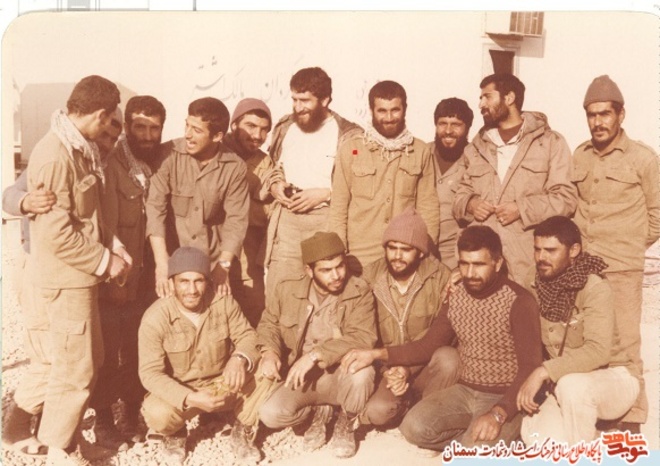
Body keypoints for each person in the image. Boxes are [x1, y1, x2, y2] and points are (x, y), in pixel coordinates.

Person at [2, 75, 131, 466]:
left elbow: (87, 216)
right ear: (100, 114)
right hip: (65, 278)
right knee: (74, 367)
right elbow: (57, 235)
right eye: (108, 121)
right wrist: (107, 262)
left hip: (76, 277)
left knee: (81, 360)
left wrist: (113, 248)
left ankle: (59, 440)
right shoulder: (57, 155)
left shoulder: (77, 148)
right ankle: (61, 450)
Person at [342, 225, 542, 452]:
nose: (470, 273)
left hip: (504, 396)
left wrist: (499, 413)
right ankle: (480, 442)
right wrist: (375, 354)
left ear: (497, 264)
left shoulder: (519, 301)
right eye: (464, 264)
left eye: (479, 265)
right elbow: (429, 346)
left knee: (472, 454)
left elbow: (530, 367)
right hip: (465, 392)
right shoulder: (457, 294)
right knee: (412, 427)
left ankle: (496, 438)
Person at [572, 75, 660, 429]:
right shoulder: (579, 155)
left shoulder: (643, 158)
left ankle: (633, 414)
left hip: (622, 267)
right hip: (584, 268)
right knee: (592, 337)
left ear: (621, 115)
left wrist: (630, 244)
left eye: (605, 114)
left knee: (625, 341)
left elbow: (658, 214)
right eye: (592, 115)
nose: (598, 122)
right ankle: (601, 406)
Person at [517, 216, 640, 445]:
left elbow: (598, 352)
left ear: (573, 250)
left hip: (611, 379)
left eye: (550, 250)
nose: (541, 257)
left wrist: (543, 371)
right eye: (537, 249)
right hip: (558, 384)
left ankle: (584, 453)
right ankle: (595, 440)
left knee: (573, 387)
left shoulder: (593, 286)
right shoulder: (533, 279)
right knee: (545, 445)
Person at [90, 95, 167, 449]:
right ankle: (103, 419)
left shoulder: (159, 162)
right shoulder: (108, 161)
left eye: (155, 128)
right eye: (140, 127)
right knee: (107, 352)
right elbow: (104, 226)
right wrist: (115, 277)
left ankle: (132, 412)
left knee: (140, 348)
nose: (147, 136)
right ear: (127, 127)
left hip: (148, 277)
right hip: (115, 276)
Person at [257, 232, 377, 458]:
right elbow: (269, 323)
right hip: (303, 378)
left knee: (362, 373)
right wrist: (269, 351)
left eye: (340, 266)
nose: (337, 275)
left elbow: (362, 337)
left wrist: (314, 355)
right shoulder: (287, 288)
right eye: (326, 270)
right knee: (270, 414)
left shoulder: (359, 291)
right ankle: (317, 413)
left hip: (339, 376)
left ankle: (347, 421)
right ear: (309, 271)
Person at [138, 247, 263, 464]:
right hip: (184, 391)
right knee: (156, 412)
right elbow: (150, 373)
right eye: (184, 282)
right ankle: (175, 433)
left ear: (208, 282)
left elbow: (249, 336)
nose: (192, 290)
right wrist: (191, 398)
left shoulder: (223, 302)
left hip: (223, 384)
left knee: (266, 377)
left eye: (198, 281)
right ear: (172, 283)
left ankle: (242, 426)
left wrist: (239, 358)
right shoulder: (155, 318)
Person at [453, 73, 577, 284]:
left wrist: (521, 209)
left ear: (509, 98)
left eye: (487, 97)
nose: (481, 104)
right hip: (483, 267)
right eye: (481, 98)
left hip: (527, 264)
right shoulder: (476, 147)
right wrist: (471, 204)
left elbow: (565, 199)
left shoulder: (550, 143)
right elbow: (459, 196)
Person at [261, 67, 362, 293]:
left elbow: (360, 184)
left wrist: (325, 194)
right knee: (280, 290)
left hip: (325, 222)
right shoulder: (286, 128)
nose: (298, 107)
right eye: (294, 99)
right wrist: (276, 185)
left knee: (323, 293)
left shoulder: (349, 135)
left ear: (325, 100)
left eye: (305, 100)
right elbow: (274, 167)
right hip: (287, 224)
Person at [359, 207, 458, 428]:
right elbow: (365, 335)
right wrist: (389, 371)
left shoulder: (441, 278)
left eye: (405, 250)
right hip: (388, 369)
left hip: (425, 367)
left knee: (449, 359)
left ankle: (428, 417)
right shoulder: (369, 278)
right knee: (377, 412)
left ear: (421, 253)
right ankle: (406, 405)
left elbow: (441, 338)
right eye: (392, 248)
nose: (397, 256)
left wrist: (407, 369)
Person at [146, 97, 249, 299]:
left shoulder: (235, 167)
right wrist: (161, 263)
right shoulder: (167, 155)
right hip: (171, 260)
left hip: (211, 264)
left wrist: (223, 267)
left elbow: (236, 222)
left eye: (197, 130)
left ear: (217, 136)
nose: (188, 135)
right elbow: (155, 209)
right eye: (187, 125)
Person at [330, 80, 440, 270]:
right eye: (382, 111)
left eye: (395, 110)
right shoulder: (351, 149)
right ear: (371, 110)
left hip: (403, 255)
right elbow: (338, 207)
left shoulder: (420, 151)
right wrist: (338, 254)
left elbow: (428, 207)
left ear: (405, 109)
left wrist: (425, 253)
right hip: (360, 257)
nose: (389, 118)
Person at [2, 107, 122, 253]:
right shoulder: (61, 156)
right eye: (104, 135)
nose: (107, 145)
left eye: (113, 139)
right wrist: (26, 202)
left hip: (84, 254)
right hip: (43, 255)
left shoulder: (104, 167)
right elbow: (8, 196)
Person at [223, 98, 274, 326]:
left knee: (253, 304)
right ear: (234, 124)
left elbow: (268, 210)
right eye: (251, 126)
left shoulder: (264, 162)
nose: (257, 135)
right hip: (213, 243)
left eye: (264, 129)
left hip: (248, 249)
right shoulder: (216, 151)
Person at [429, 98, 473, 270]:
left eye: (456, 125)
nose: (448, 131)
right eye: (442, 124)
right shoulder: (421, 154)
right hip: (419, 253)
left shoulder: (476, 160)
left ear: (467, 127)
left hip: (455, 258)